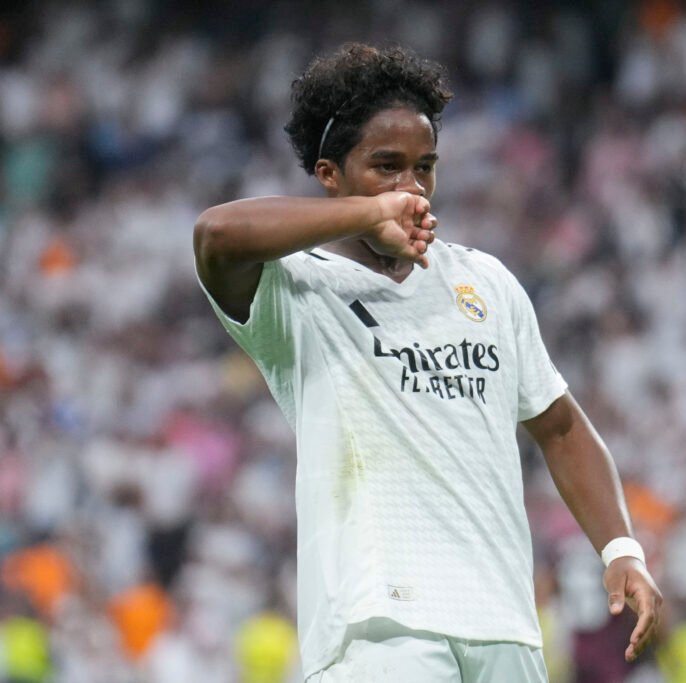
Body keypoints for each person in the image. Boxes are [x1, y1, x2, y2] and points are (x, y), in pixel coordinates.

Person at [193, 43, 662, 683]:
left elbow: (560, 427)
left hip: (505, 625)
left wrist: (620, 548)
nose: (409, 189)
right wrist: (370, 215)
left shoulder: (486, 283)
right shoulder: (297, 288)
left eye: (424, 167)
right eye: (386, 167)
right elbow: (216, 235)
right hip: (378, 632)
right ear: (329, 174)